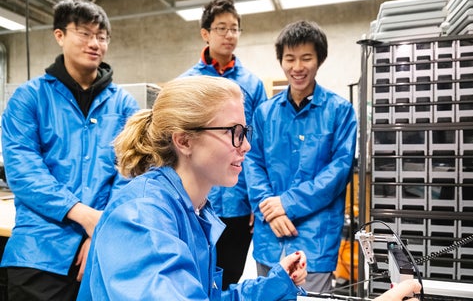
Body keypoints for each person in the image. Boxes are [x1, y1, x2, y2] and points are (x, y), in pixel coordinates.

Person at [77, 75, 307, 300]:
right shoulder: (142, 216)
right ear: (184, 141)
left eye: (245, 132)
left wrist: (277, 285)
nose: (246, 146)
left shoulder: (193, 210)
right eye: (233, 133)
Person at [0, 0, 139, 301]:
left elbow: (131, 172)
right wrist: (86, 217)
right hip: (38, 251)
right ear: (59, 35)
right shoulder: (29, 98)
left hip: (106, 247)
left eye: (101, 37)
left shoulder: (125, 105)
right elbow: (24, 171)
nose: (95, 43)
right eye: (85, 33)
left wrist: (102, 230)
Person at [244, 20, 358, 294]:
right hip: (269, 235)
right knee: (267, 297)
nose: (297, 67)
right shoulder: (264, 113)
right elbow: (252, 163)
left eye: (306, 58)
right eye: (290, 58)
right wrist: (270, 211)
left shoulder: (340, 111)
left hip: (314, 240)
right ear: (281, 60)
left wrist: (286, 203)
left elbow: (339, 171)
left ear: (319, 60)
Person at [180, 0, 267, 289]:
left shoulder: (252, 85)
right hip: (194, 199)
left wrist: (255, 199)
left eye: (234, 28)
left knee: (230, 276)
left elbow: (257, 145)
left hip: (237, 201)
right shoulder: (187, 82)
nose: (229, 35)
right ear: (205, 33)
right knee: (192, 274)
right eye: (221, 28)